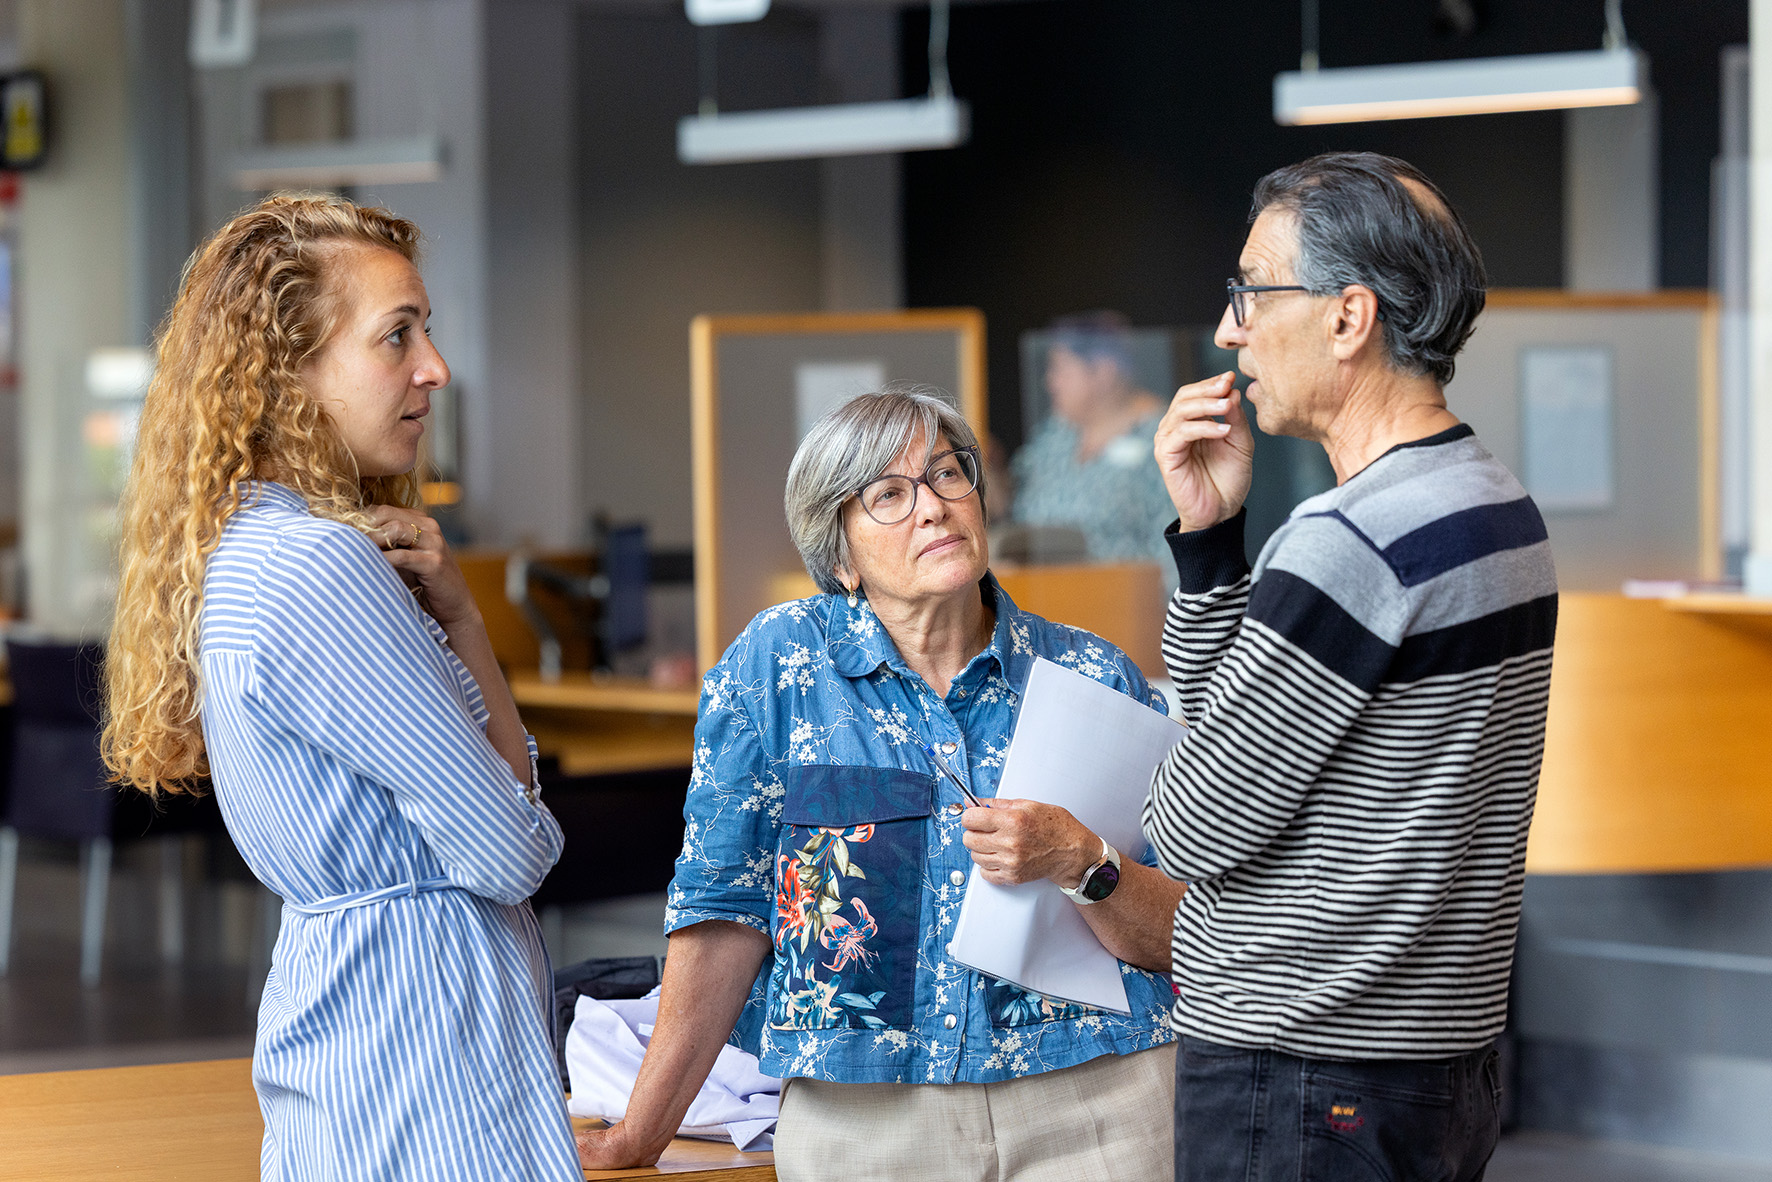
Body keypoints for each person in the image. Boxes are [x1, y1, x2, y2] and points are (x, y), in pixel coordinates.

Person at [577, 389, 1182, 1181]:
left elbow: (1189, 931)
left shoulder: (1092, 675)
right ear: (841, 559)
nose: (931, 507)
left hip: (1097, 1101)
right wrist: (640, 1135)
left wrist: (1082, 861)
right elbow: (723, 915)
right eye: (890, 495)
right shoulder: (778, 669)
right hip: (867, 1121)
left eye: (945, 476)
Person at [101, 195, 581, 1181]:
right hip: (429, 1075)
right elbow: (510, 851)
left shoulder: (242, 555)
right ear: (286, 378)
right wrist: (471, 655)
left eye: (427, 331)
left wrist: (459, 621)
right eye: (395, 336)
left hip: (356, 1062)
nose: (434, 369)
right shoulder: (323, 565)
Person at [1142, 152, 1558, 1181]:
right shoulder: (1494, 505)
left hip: (1300, 1070)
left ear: (1346, 316)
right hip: (1430, 1067)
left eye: (1249, 290)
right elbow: (1245, 738)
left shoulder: (1349, 542)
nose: (1228, 328)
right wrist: (1210, 546)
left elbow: (1190, 827)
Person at [1009, 312, 1174, 566]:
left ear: (1103, 371)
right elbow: (1016, 496)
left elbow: (1171, 550)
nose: (1050, 382)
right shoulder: (1057, 433)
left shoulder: (1163, 436)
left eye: (1060, 368)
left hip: (1125, 600)